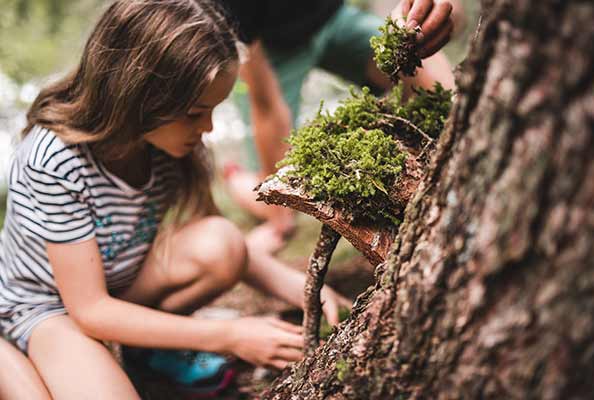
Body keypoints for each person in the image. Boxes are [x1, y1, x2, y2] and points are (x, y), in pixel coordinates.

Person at [0, 1, 351, 399]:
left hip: (120, 289)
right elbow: (90, 310)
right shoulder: (55, 157)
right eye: (195, 113)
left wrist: (307, 289)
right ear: (136, 95)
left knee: (220, 240)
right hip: (49, 308)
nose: (209, 127)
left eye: (213, 110)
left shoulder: (166, 146)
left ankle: (141, 349)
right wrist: (228, 336)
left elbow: (233, 251)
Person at [220, 0, 462, 251]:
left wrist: (435, 11)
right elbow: (266, 105)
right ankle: (233, 176)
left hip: (333, 15)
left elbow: (450, 11)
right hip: (270, 47)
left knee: (444, 104)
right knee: (274, 201)